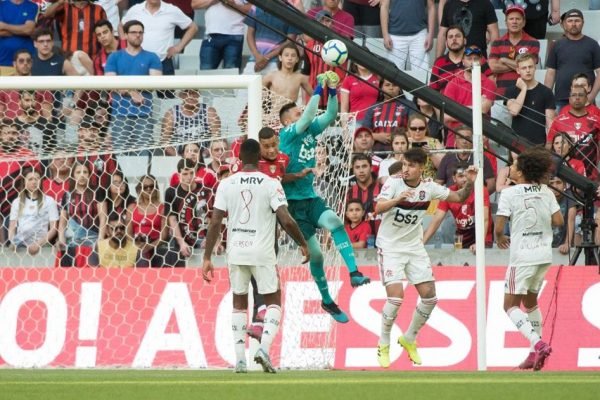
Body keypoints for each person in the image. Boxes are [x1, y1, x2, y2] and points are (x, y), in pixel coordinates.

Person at [202, 138, 309, 374]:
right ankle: (264, 350)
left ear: (239, 158)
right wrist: (302, 243)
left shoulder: (226, 184)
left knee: (239, 302)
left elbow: (215, 222)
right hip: (262, 252)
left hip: (236, 251)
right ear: (259, 158)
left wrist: (207, 257)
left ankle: (240, 360)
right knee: (274, 301)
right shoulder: (271, 184)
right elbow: (286, 218)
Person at [279, 72, 371, 323]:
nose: (303, 114)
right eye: (296, 113)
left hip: (311, 197)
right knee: (317, 256)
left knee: (336, 223)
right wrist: (318, 86)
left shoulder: (309, 131)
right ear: (288, 120)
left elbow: (330, 115)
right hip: (292, 207)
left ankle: (354, 273)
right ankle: (327, 300)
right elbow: (309, 114)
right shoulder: (287, 134)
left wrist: (332, 89)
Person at [375, 147, 477, 368]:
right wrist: (397, 199)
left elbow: (459, 197)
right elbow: (378, 208)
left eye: (411, 165)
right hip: (390, 247)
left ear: (422, 167)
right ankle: (383, 342)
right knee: (396, 297)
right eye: (404, 164)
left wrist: (469, 182)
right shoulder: (393, 183)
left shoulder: (429, 187)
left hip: (414, 247)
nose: (406, 169)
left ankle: (409, 337)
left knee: (430, 296)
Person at [495, 147, 563, 371]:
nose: (510, 169)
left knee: (509, 306)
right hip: (543, 255)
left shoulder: (509, 193)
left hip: (522, 256)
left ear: (522, 172)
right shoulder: (546, 191)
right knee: (530, 303)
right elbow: (558, 220)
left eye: (513, 166)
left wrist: (499, 237)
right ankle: (534, 354)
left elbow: (499, 225)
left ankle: (538, 343)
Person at [104, 20, 162, 153]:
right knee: (120, 155)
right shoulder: (115, 56)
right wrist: (132, 91)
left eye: (141, 32)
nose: (138, 35)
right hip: (120, 114)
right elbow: (110, 82)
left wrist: (127, 88)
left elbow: (155, 82)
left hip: (144, 113)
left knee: (143, 154)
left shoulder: (152, 57)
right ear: (125, 35)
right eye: (134, 32)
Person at [423, 163, 491, 252]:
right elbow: (436, 220)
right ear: (454, 178)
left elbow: (484, 219)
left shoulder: (481, 190)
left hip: (483, 238)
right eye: (461, 176)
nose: (465, 179)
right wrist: (422, 244)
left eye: (467, 176)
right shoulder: (449, 193)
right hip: (462, 239)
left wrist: (479, 243)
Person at [121, 0, 198, 75]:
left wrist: (178, 47)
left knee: (166, 88)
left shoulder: (172, 10)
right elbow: (121, 26)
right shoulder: (135, 10)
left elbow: (193, 27)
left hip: (163, 62)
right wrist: (125, 47)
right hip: (137, 62)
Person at [544, 9, 600, 110]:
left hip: (586, 99)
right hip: (561, 99)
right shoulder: (557, 45)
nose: (573, 24)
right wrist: (547, 98)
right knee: (560, 126)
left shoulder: (593, 44)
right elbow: (550, 73)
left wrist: (591, 96)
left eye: (577, 20)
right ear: (565, 24)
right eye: (570, 21)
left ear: (583, 23)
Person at [442, 45, 497, 148]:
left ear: (481, 61)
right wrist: (477, 106)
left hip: (480, 139)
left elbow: (484, 109)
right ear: (463, 61)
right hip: (454, 140)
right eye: (469, 58)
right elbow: (445, 116)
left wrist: (456, 110)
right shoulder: (453, 83)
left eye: (476, 59)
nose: (472, 62)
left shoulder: (489, 83)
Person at [164, 158, 213, 267]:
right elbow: (172, 219)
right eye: (185, 174)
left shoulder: (205, 190)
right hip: (182, 240)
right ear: (178, 174)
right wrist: (181, 242)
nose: (189, 177)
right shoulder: (171, 192)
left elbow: (211, 217)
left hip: (204, 239)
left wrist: (210, 238)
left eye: (191, 173)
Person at [546, 85, 600, 180]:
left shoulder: (596, 120)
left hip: (591, 175)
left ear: (586, 98)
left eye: (581, 95)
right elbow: (549, 145)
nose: (577, 98)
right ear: (569, 98)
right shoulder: (559, 120)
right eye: (574, 95)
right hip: (564, 176)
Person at [488, 5, 540, 98]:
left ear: (524, 22)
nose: (514, 22)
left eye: (518, 19)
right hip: (501, 93)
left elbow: (530, 65)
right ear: (506, 23)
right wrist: (521, 65)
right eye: (511, 19)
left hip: (526, 93)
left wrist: (504, 60)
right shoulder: (497, 42)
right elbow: (492, 67)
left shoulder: (533, 42)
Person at [505, 53, 556, 146]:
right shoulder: (511, 91)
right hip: (517, 143)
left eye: (530, 67)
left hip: (539, 144)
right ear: (518, 70)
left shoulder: (546, 92)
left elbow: (550, 124)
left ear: (535, 68)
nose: (528, 70)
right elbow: (514, 111)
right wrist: (524, 89)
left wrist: (549, 145)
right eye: (524, 68)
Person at [8, 167, 59, 254]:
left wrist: (38, 244)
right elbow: (12, 227)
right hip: (21, 247)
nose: (34, 182)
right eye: (30, 179)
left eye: (37, 179)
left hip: (42, 247)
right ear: (24, 181)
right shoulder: (17, 202)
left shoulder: (49, 200)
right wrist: (13, 242)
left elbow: (53, 228)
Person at [435, 125, 496, 194]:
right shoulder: (447, 157)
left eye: (467, 138)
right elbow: (438, 183)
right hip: (451, 199)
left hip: (475, 201)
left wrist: (478, 198)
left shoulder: (481, 158)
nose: (464, 141)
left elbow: (491, 185)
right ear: (455, 140)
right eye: (461, 138)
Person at [192, 0, 250, 71]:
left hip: (234, 34)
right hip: (210, 35)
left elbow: (252, 10)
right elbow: (194, 4)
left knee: (231, 75)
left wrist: (233, 5)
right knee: (205, 73)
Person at [160, 89, 221, 156]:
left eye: (194, 92)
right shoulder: (171, 114)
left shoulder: (209, 112)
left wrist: (203, 156)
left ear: (198, 94)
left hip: (204, 156)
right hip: (178, 157)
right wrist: (180, 158)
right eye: (187, 92)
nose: (191, 96)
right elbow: (164, 142)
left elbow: (216, 139)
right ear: (181, 95)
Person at [243, 2, 298, 75]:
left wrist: (266, 58)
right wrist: (257, 56)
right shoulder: (256, 7)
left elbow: (290, 41)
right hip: (254, 60)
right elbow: (249, 35)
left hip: (276, 63)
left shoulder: (291, 12)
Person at [380, 0, 435, 71]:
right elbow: (384, 6)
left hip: (419, 33)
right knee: (393, 73)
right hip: (395, 35)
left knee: (421, 74)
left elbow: (431, 7)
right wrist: (385, 35)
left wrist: (431, 34)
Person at [43, 0, 107, 60]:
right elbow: (47, 14)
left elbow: (106, 32)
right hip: (69, 59)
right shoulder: (65, 8)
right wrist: (60, 2)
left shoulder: (98, 10)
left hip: (93, 58)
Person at [362, 79, 413, 153]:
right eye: (387, 85)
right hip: (376, 153)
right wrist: (378, 136)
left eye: (395, 85)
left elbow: (416, 129)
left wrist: (396, 137)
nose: (391, 88)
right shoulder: (373, 107)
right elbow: (364, 133)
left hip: (402, 153)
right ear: (381, 87)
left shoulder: (409, 105)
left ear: (399, 88)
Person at [128, 175, 167, 267]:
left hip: (155, 246)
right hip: (136, 245)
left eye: (152, 186)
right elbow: (127, 233)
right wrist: (136, 246)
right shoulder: (132, 207)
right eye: (145, 187)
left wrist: (149, 246)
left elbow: (164, 235)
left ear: (156, 187)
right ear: (141, 189)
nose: (149, 189)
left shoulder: (163, 208)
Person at [0, 0, 37, 76]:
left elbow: (28, 30)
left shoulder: (32, 6)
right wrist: (21, 30)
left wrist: (4, 26)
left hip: (26, 62)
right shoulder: (1, 5)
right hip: (3, 60)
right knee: (4, 87)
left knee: (26, 87)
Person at [346, 154, 381, 234]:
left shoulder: (383, 189)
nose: (361, 171)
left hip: (381, 240)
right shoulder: (349, 193)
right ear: (353, 170)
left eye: (364, 166)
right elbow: (345, 220)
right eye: (357, 167)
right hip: (357, 242)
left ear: (371, 168)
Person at [548, 175, 577, 255]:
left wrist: (567, 243)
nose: (555, 186)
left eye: (558, 182)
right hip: (546, 246)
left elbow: (571, 220)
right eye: (551, 183)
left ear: (564, 185)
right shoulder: (544, 197)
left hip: (563, 246)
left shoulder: (569, 195)